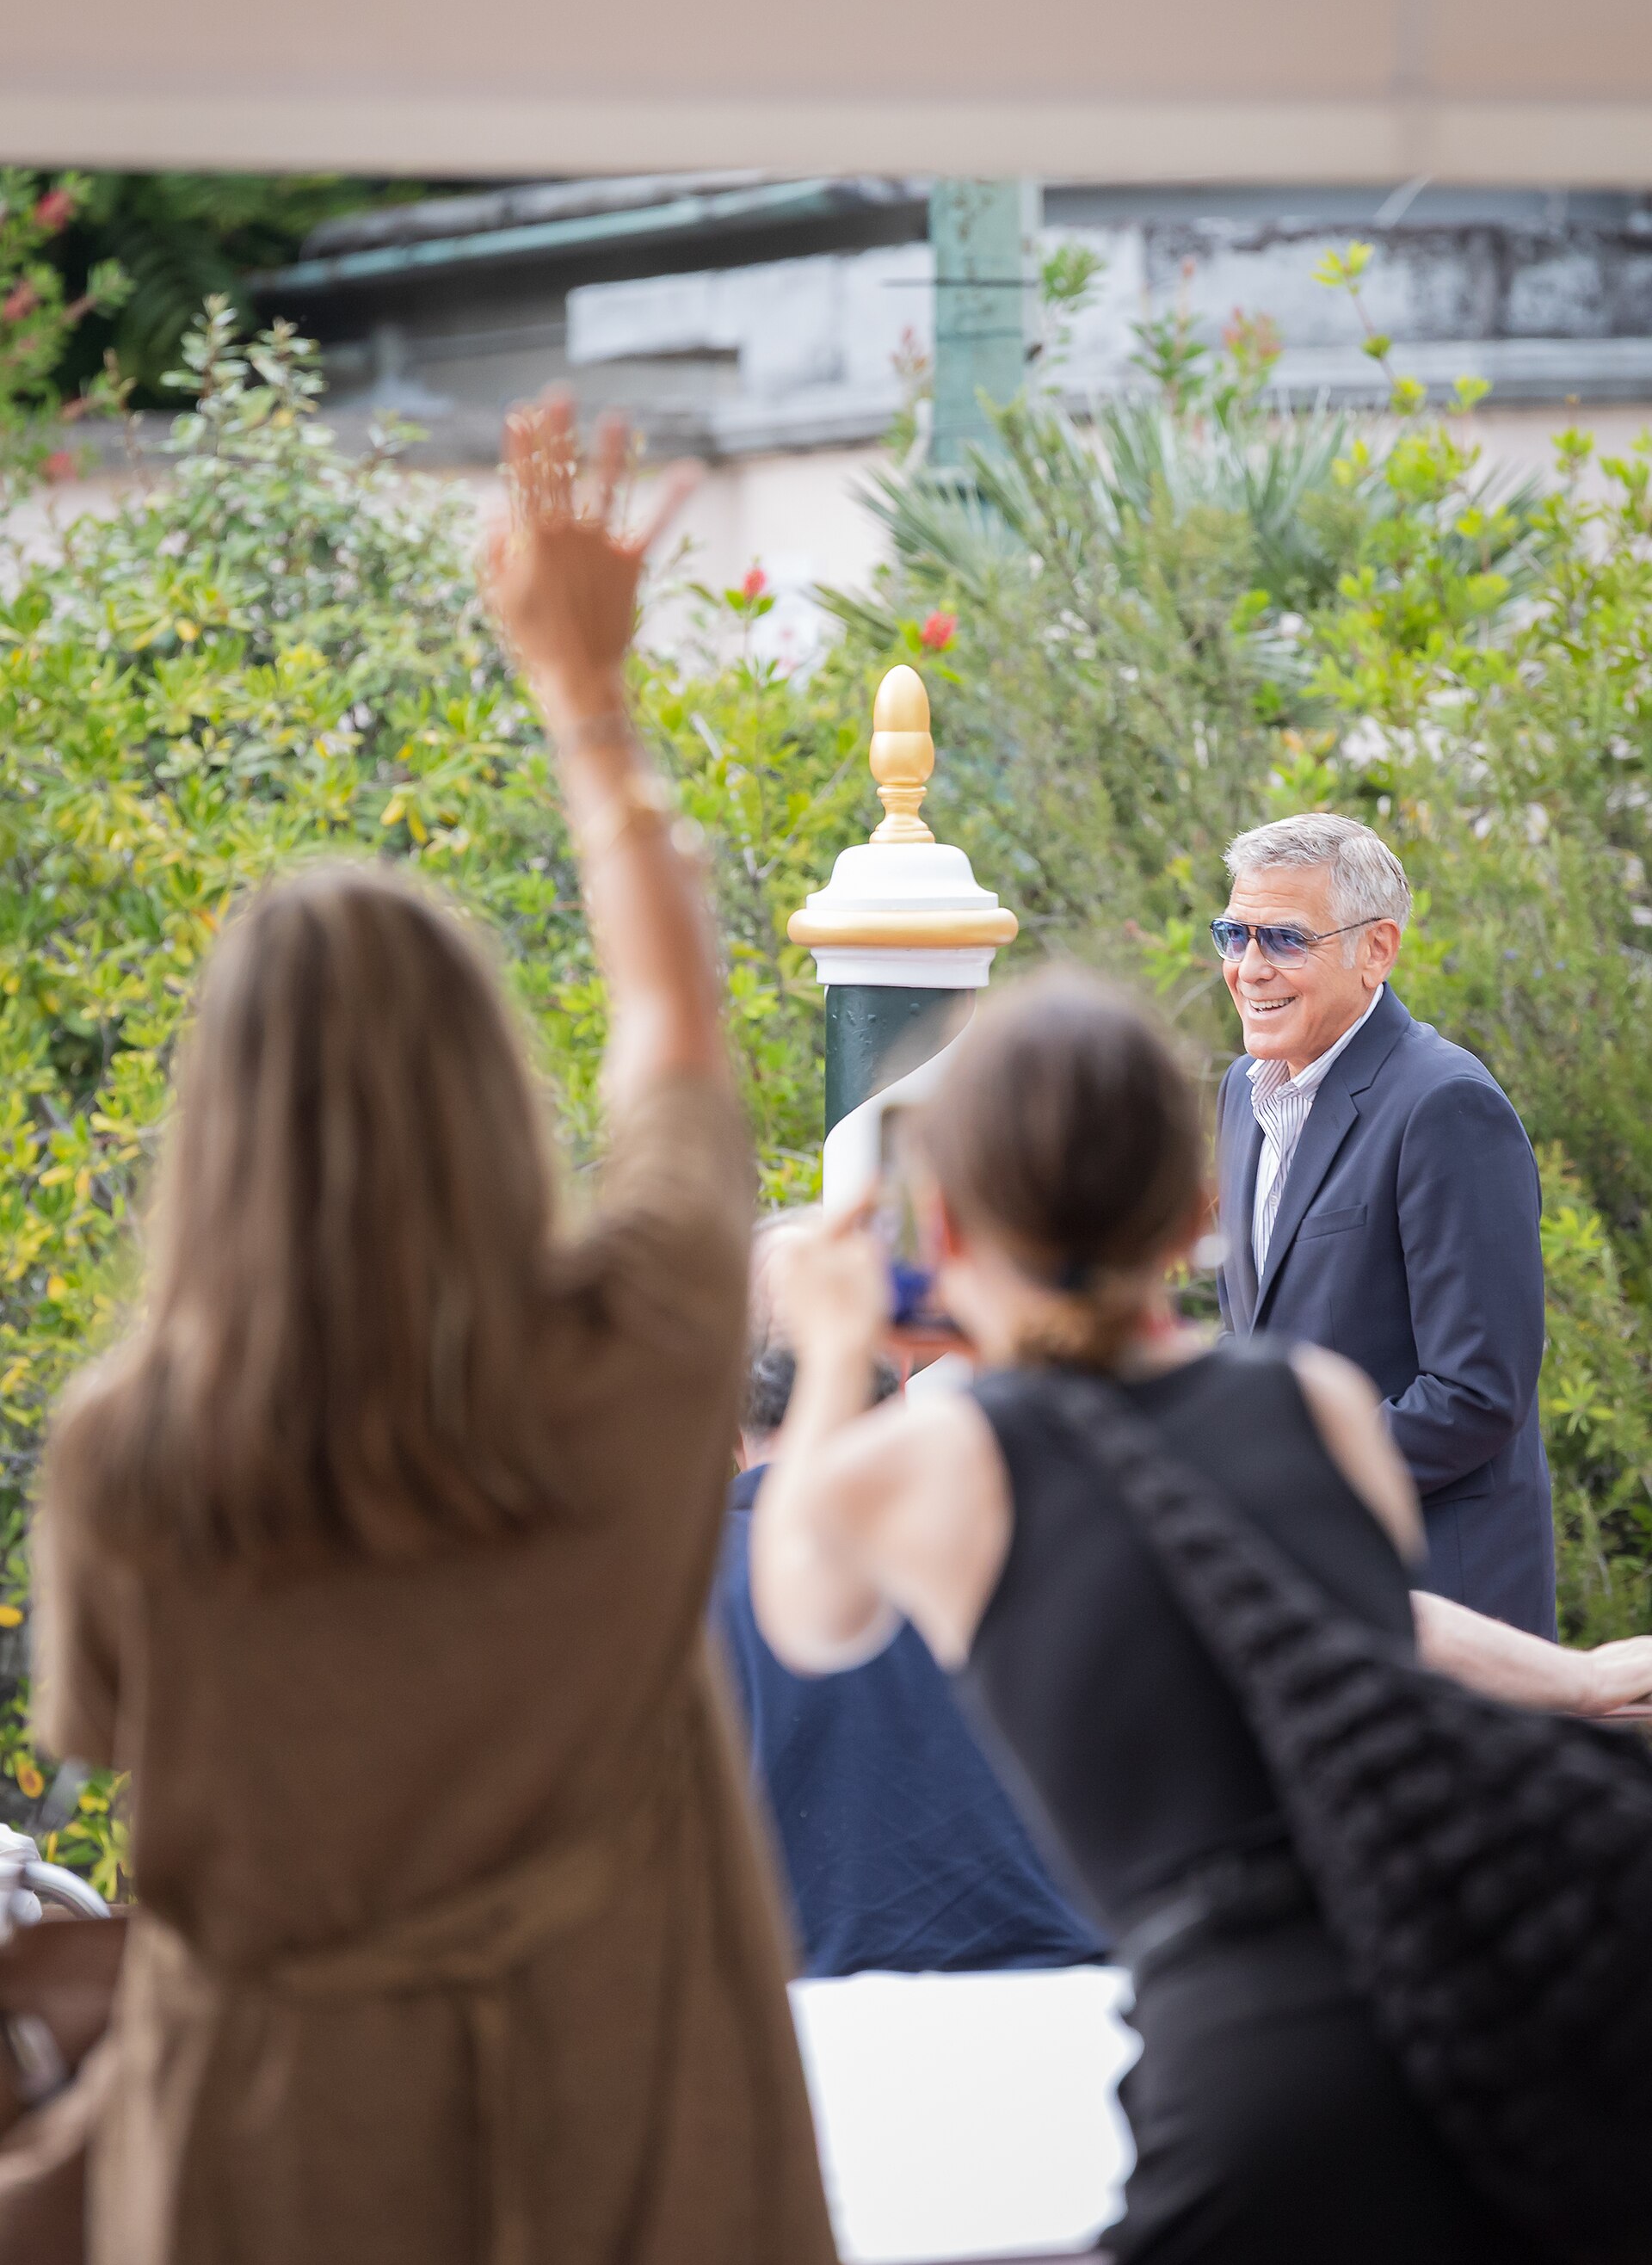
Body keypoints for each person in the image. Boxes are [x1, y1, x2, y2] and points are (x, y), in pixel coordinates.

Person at [30, 396, 838, 2265]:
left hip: (276, 2156)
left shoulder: (126, 1457)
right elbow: (677, 1034)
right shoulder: (633, 1352)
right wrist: (584, 695)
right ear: (491, 1089)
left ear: (208, 1132)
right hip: (627, 2120)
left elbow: (115, 1735)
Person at [749, 968, 1652, 2263]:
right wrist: (1572, 1679)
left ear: (940, 1225)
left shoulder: (949, 1456)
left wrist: (839, 1349)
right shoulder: (1323, 1399)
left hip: (1249, 2063)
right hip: (1466, 2001)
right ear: (1198, 1212)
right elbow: (1360, 1622)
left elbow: (807, 1606)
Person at [1211, 812, 1556, 1635]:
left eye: (1284, 940)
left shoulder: (1445, 1105)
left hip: (1442, 1604)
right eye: (1234, 935)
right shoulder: (1241, 1090)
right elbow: (1257, 1333)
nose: (1248, 969)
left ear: (1378, 950)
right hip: (1299, 1594)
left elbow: (1476, 1393)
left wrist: (1283, 1472)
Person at [712, 1342, 1107, 1977]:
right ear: (898, 1405)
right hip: (1055, 1984)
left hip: (797, 1997)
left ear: (735, 1435)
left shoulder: (677, 1589)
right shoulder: (1028, 1536)